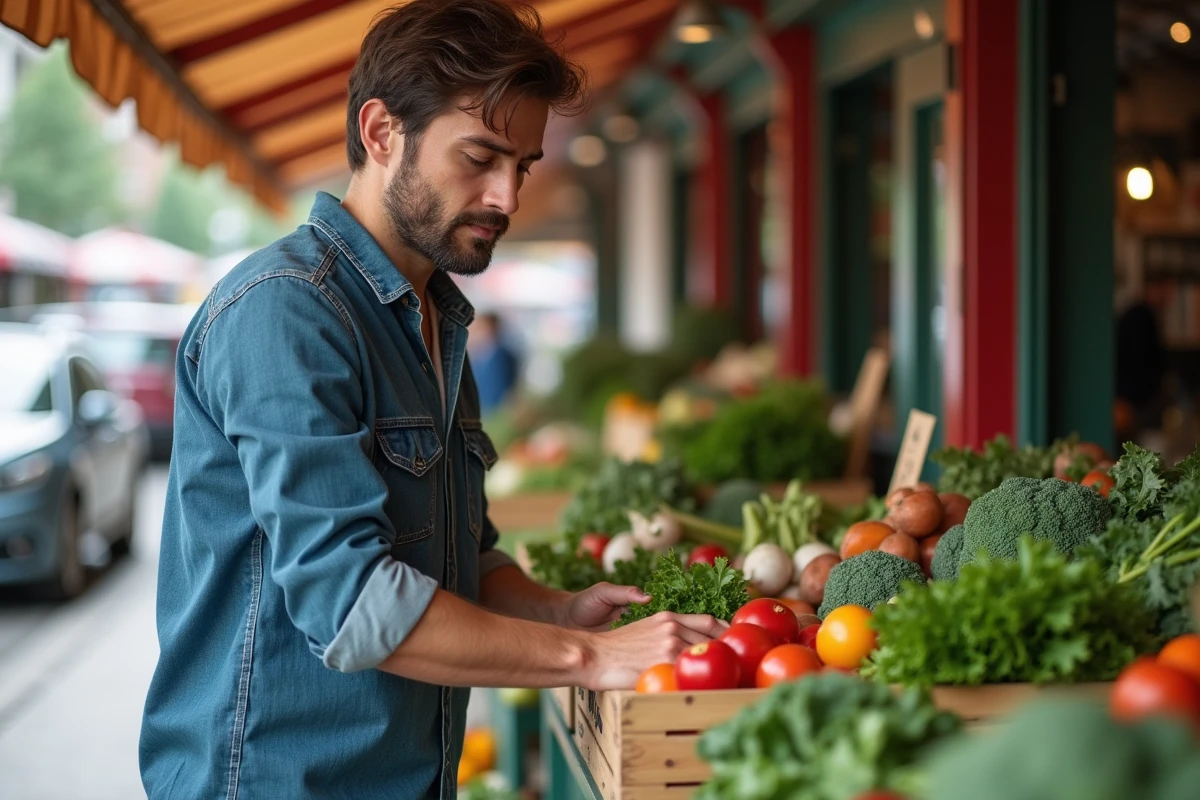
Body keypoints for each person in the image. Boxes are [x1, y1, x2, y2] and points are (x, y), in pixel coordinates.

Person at [137, 3, 725, 798]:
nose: (507, 196)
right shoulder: (285, 313)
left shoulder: (437, 318)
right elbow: (352, 602)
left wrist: (562, 613)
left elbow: (460, 558)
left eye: (522, 165)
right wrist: (592, 661)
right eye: (480, 156)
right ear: (381, 133)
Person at [468, 311, 519, 412]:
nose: (473, 334)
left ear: (490, 329)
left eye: (478, 329)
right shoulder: (480, 354)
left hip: (495, 413)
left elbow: (498, 390)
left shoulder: (502, 355)